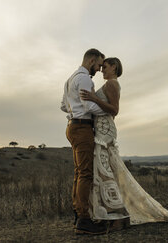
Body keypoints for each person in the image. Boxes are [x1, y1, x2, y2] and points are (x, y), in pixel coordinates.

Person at [80, 57, 168, 227]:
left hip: (104, 131)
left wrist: (94, 99)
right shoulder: (111, 84)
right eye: (101, 67)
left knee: (104, 169)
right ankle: (109, 209)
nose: (102, 70)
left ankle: (113, 211)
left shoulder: (112, 84)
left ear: (114, 67)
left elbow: (115, 110)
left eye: (105, 67)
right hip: (102, 127)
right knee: (105, 168)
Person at [60, 48, 108, 235]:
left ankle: (78, 214)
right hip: (82, 128)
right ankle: (84, 220)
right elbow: (89, 105)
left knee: (79, 172)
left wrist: (75, 109)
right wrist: (108, 111)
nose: (99, 68)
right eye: (98, 64)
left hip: (72, 126)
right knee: (86, 173)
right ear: (91, 61)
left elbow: (63, 106)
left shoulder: (70, 79)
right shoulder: (85, 78)